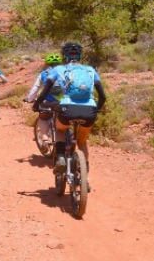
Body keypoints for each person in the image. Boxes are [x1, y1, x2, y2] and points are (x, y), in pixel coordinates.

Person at [32, 42, 105, 177]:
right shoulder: (91, 70)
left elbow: (44, 91)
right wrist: (97, 109)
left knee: (60, 129)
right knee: (82, 141)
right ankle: (84, 174)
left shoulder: (58, 70)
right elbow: (102, 96)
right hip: (89, 111)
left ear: (64, 56)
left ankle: (60, 156)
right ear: (80, 56)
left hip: (67, 108)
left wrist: (37, 105)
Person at [24, 53, 63, 146]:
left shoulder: (43, 74)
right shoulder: (66, 73)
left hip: (48, 102)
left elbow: (35, 88)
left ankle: (45, 137)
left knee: (43, 117)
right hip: (64, 102)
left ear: (47, 64)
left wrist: (29, 99)